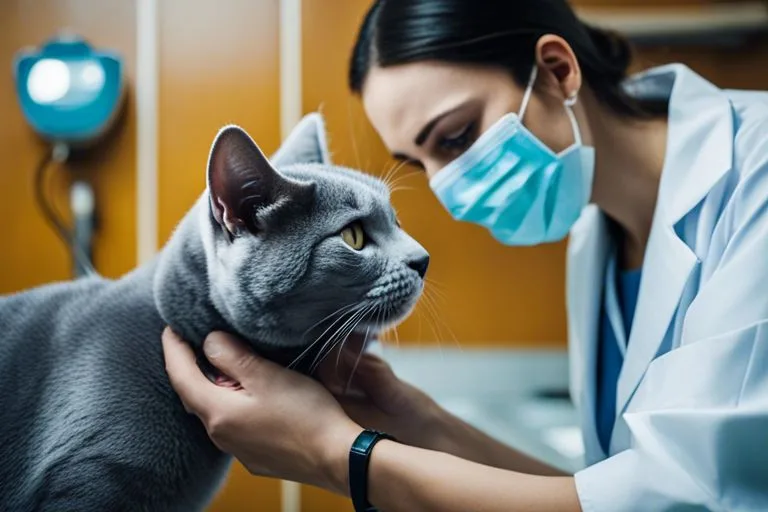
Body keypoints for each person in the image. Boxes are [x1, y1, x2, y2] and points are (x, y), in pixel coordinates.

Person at [162, 0, 768, 510]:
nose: (449, 191)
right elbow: (606, 490)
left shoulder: (756, 177)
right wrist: (416, 422)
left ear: (556, 70)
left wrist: (337, 455)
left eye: (454, 137)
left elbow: (681, 499)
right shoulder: (596, 239)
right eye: (419, 164)